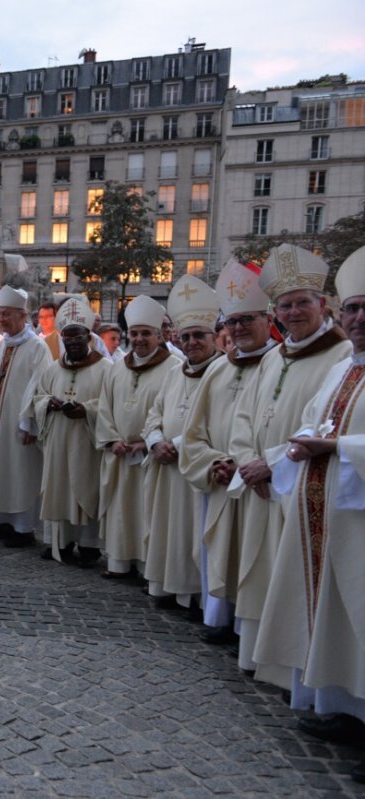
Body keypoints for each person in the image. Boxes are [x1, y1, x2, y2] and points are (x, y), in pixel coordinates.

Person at [255, 246, 365, 784]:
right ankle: (345, 708)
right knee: (338, 619)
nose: (360, 320)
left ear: (320, 307)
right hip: (327, 516)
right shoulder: (342, 369)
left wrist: (342, 449)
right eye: (355, 309)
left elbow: (340, 440)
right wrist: (297, 449)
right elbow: (308, 423)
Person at [228, 244, 351, 680]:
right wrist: (247, 461)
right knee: (260, 574)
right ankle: (257, 656)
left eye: (303, 302)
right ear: (275, 313)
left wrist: (273, 464)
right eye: (286, 305)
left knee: (294, 581)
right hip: (260, 484)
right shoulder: (274, 357)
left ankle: (292, 671)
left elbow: (321, 424)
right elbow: (244, 415)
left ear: (322, 305)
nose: (294, 311)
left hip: (297, 485)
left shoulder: (341, 357)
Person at [179, 259, 278, 645]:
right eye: (232, 322)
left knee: (257, 556)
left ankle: (252, 631)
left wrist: (249, 465)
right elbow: (193, 432)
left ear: (267, 319)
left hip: (260, 484)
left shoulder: (278, 364)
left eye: (247, 319)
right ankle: (220, 618)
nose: (239, 329)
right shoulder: (219, 369)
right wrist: (213, 463)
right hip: (221, 481)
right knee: (220, 553)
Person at [142, 276, 221, 611]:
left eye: (199, 335)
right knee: (167, 530)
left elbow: (220, 423)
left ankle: (194, 597)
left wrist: (176, 443)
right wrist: (156, 440)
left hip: (197, 472)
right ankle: (166, 587)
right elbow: (154, 413)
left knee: (193, 534)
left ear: (214, 337)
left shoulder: (223, 372)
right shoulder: (175, 371)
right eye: (185, 336)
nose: (191, 342)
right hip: (165, 465)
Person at [95, 295, 178, 579]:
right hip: (119, 452)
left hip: (150, 455)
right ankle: (119, 562)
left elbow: (175, 410)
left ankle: (147, 568)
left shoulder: (175, 367)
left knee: (148, 512)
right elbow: (104, 406)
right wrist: (111, 439)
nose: (139, 339)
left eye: (146, 333)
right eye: (134, 333)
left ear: (158, 334)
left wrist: (149, 441)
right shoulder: (117, 366)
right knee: (121, 510)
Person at [27, 297, 110, 565]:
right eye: (68, 337)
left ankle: (88, 545)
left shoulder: (107, 369)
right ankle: (59, 543)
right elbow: (38, 397)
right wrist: (47, 403)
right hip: (58, 441)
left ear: (89, 337)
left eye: (79, 337)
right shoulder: (53, 369)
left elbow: (110, 405)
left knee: (86, 489)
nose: (73, 342)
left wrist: (87, 410)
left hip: (87, 442)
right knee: (59, 489)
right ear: (62, 338)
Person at [0, 286, 51, 547]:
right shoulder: (5, 344)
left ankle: (22, 528)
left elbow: (40, 386)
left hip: (20, 422)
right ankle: (1, 521)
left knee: (20, 472)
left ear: (23, 316)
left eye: (7, 314)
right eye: (1, 314)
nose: (1, 319)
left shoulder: (37, 348)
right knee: (0, 469)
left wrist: (30, 422)